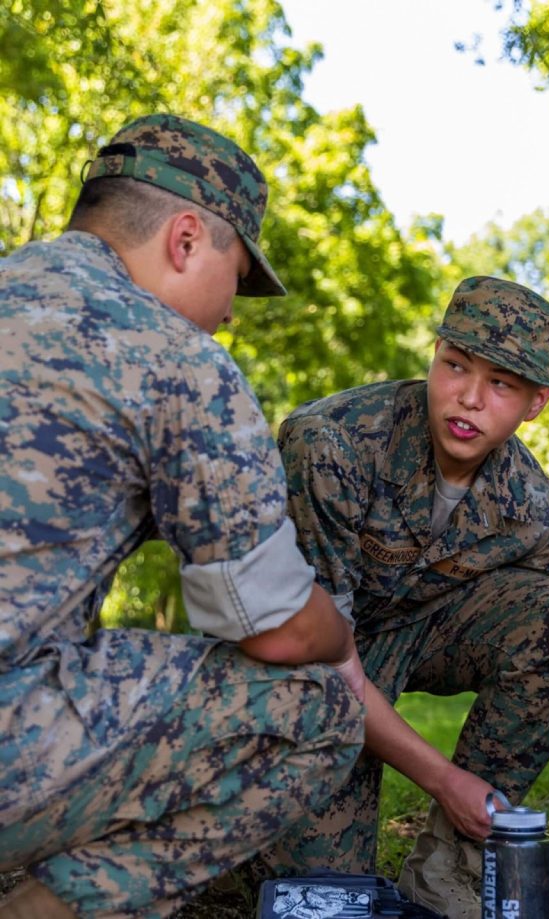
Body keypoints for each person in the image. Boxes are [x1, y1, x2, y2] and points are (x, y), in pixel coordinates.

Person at [0, 114, 366, 918]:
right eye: (237, 276)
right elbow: (276, 629)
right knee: (320, 709)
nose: (232, 312)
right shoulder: (173, 357)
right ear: (187, 239)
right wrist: (338, 636)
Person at [275, 275, 549, 917]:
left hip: (421, 639)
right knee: (319, 898)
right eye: (455, 366)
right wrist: (443, 777)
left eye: (501, 384)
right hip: (308, 659)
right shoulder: (332, 445)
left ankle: (450, 870)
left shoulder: (531, 504)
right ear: (434, 357)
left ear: (536, 402)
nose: (467, 398)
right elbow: (316, 646)